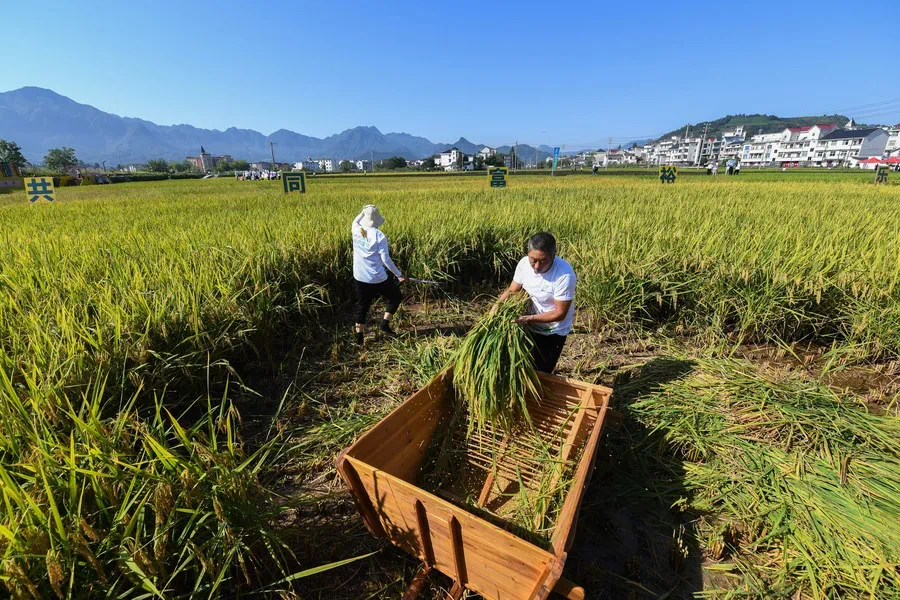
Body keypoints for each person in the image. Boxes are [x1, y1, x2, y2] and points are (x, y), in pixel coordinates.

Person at [497, 232, 576, 374]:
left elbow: (560, 313)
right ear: (528, 253)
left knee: (540, 373)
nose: (537, 266)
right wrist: (497, 306)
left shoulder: (564, 275)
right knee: (519, 368)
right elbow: (512, 290)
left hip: (552, 331)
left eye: (543, 261)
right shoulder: (523, 264)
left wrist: (528, 319)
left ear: (553, 256)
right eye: (533, 259)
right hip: (529, 326)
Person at [352, 204, 406, 344]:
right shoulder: (379, 235)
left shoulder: (355, 228)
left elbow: (357, 219)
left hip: (360, 276)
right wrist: (399, 274)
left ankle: (359, 337)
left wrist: (363, 211)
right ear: (376, 220)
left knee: (363, 305)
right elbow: (385, 259)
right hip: (377, 278)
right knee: (395, 297)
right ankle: (384, 324)